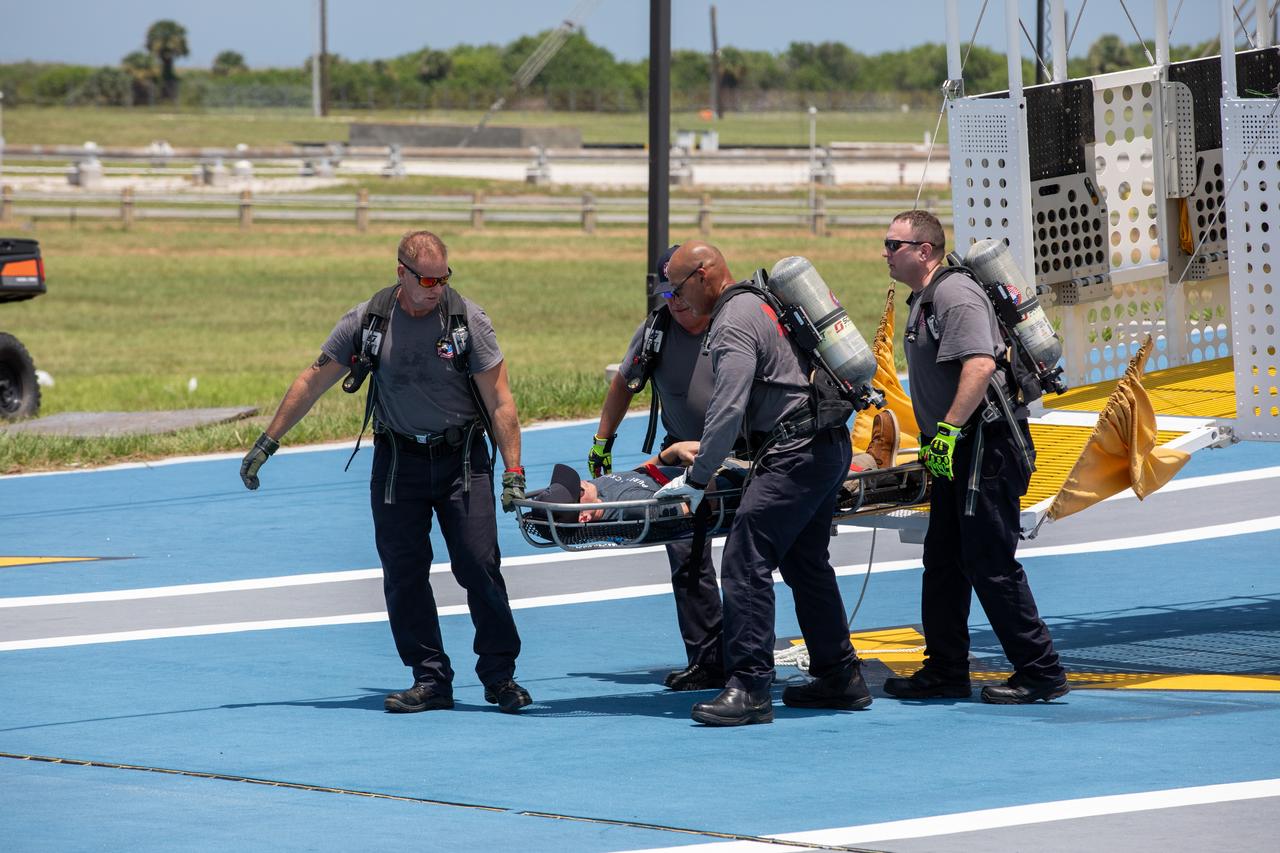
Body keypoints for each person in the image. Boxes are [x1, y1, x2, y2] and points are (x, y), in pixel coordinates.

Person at [238, 230, 534, 715]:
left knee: (479, 566)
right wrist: (268, 442)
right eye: (426, 278)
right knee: (403, 572)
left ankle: (500, 676)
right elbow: (313, 380)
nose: (436, 286)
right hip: (398, 462)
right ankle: (431, 678)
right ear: (401, 273)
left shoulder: (467, 320)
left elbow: (501, 400)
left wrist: (513, 470)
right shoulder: (368, 320)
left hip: (462, 460)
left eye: (443, 277)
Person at [653, 241, 872, 726]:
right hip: (826, 443)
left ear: (706, 273)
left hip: (795, 451)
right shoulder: (762, 301)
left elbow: (726, 409)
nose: (675, 299)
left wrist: (697, 478)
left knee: (745, 559)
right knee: (805, 562)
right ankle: (839, 674)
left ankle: (750, 686)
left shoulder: (732, 320)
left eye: (679, 286)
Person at [881, 210, 1068, 704]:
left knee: (989, 561)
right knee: (942, 559)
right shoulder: (925, 297)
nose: (886, 253)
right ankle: (944, 668)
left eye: (893, 244)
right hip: (955, 448)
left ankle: (1040, 672)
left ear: (924, 251)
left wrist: (946, 432)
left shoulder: (953, 293)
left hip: (983, 447)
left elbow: (981, 364)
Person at [589, 244, 725, 693]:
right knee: (686, 554)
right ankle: (707, 660)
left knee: (754, 559)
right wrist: (602, 440)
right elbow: (625, 383)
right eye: (668, 297)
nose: (676, 306)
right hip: (679, 457)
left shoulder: (735, 322)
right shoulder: (656, 331)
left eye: (681, 296)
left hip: (744, 455)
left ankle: (757, 655)